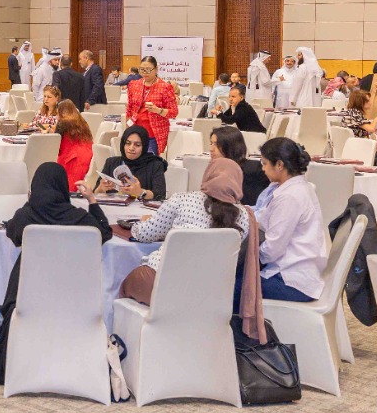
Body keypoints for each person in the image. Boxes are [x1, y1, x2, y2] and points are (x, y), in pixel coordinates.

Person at [0, 163, 112, 384]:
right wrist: (92, 201)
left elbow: (12, 233)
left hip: (28, 294)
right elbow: (104, 232)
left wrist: (31, 202)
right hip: (71, 294)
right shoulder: (79, 218)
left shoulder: (26, 216)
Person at [120, 155, 252, 305]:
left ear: (208, 175)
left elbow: (145, 234)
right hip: (209, 294)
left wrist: (139, 224)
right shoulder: (244, 217)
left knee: (124, 285)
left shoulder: (183, 199)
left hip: (161, 283)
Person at [252, 138, 328, 302]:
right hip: (295, 271)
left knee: (228, 288)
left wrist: (247, 258)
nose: (263, 169)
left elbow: (272, 250)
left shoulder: (289, 197)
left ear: (279, 165)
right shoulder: (297, 187)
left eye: (265, 163)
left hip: (291, 280)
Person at [126, 55, 178, 154]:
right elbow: (129, 109)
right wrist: (127, 131)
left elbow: (173, 112)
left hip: (153, 135)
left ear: (156, 69)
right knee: (131, 161)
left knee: (149, 162)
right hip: (135, 133)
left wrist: (157, 110)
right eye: (142, 70)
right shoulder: (134, 85)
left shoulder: (165, 87)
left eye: (148, 70)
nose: (145, 73)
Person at [101, 124, 167, 202]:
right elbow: (95, 192)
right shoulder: (111, 162)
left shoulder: (155, 165)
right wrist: (101, 189)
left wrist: (140, 192)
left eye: (137, 145)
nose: (131, 148)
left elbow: (160, 195)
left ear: (144, 147)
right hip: (113, 207)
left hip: (141, 208)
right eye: (128, 143)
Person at [212, 124, 270, 205]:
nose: (211, 149)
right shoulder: (215, 170)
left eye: (216, 144)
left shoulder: (251, 171)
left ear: (230, 147)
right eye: (211, 143)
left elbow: (254, 205)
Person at [54, 100, 94, 190]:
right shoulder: (81, 120)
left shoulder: (62, 122)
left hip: (71, 160)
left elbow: (55, 145)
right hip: (87, 157)